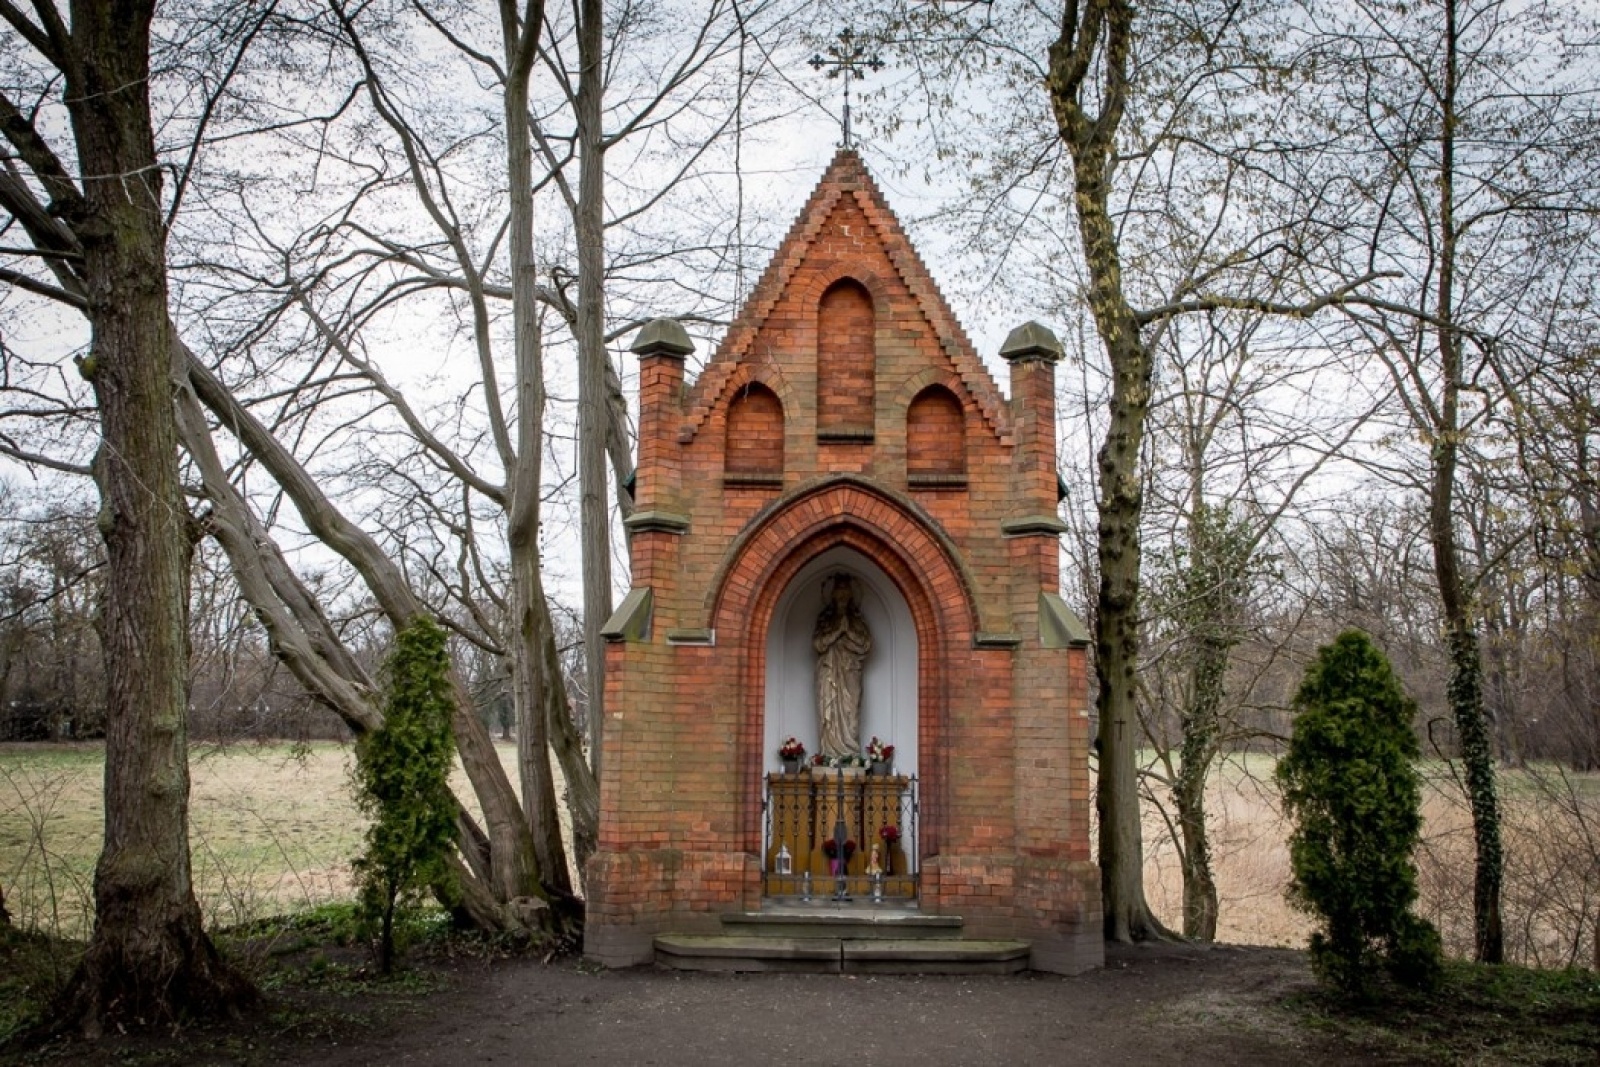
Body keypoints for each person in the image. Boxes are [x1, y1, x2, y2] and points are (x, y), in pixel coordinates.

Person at [814, 574, 872, 758]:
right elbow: (818, 644)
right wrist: (839, 631)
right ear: (832, 595)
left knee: (851, 712)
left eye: (845, 593)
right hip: (829, 670)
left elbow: (865, 644)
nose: (842, 597)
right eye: (838, 593)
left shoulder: (857, 620)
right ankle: (830, 753)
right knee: (828, 713)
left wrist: (849, 632)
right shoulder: (825, 619)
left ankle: (851, 754)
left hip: (851, 671)